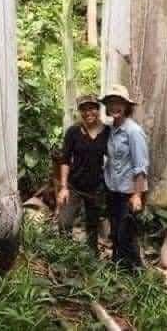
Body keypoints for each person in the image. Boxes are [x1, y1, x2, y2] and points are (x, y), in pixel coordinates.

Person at [100, 84, 149, 271]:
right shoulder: (111, 129)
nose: (114, 107)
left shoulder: (133, 131)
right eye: (111, 103)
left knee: (126, 234)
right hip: (113, 190)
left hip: (128, 193)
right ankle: (117, 266)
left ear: (126, 106)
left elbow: (141, 167)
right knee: (115, 232)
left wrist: (137, 195)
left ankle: (137, 272)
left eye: (119, 103)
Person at [57, 94, 110, 254]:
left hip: (95, 187)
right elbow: (65, 159)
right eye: (84, 109)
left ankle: (91, 259)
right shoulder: (73, 132)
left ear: (98, 109)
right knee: (64, 222)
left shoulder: (107, 132)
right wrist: (64, 187)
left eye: (92, 108)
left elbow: (115, 158)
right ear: (80, 111)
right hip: (74, 185)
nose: (88, 112)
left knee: (92, 226)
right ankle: (65, 255)